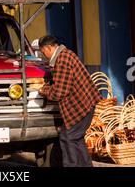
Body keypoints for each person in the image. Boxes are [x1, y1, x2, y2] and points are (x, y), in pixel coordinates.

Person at [38, 35, 102, 167]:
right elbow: (61, 83)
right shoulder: (66, 54)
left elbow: (59, 92)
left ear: (49, 48)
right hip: (86, 104)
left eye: (44, 53)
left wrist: (44, 90)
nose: (45, 57)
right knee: (77, 139)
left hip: (80, 107)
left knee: (68, 139)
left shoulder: (62, 60)